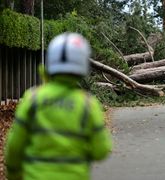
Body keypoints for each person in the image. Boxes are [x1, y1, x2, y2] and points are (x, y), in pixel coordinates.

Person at [5, 33, 112, 180]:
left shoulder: (33, 99)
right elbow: (101, 151)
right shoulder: (88, 104)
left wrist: (13, 173)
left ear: (49, 63)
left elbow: (14, 146)